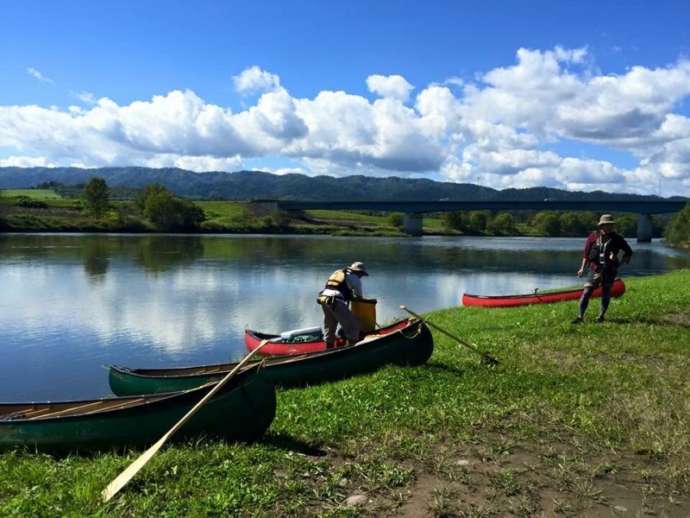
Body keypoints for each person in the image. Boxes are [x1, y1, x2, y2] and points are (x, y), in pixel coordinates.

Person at [573, 214, 632, 323]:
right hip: (594, 269)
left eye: (611, 225)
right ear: (601, 226)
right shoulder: (592, 237)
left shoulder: (617, 238)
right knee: (586, 292)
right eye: (607, 225)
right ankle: (580, 317)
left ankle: (601, 316)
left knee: (606, 292)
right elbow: (586, 255)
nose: (609, 227)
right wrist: (582, 268)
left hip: (609, 270)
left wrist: (618, 261)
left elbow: (628, 252)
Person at [317, 261, 368, 348]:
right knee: (353, 327)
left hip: (324, 298)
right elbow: (359, 297)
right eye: (362, 274)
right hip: (335, 300)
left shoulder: (340, 273)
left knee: (330, 327)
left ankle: (328, 351)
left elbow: (333, 286)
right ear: (359, 272)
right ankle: (350, 351)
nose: (361, 276)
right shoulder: (355, 279)